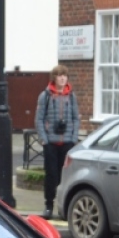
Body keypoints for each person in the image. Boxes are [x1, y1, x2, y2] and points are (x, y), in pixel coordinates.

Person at [35, 64, 80, 220]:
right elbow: (39, 119)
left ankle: (63, 208)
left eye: (64, 76)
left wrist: (73, 139)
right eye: (59, 76)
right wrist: (44, 140)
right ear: (54, 78)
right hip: (51, 143)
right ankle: (48, 205)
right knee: (51, 176)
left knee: (65, 177)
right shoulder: (45, 96)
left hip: (67, 142)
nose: (62, 78)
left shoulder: (72, 96)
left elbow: (76, 118)